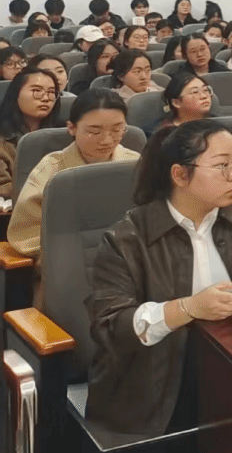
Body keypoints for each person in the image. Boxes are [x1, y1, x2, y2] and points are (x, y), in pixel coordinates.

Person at [84, 120, 232, 437]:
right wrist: (188, 308)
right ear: (180, 175)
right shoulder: (126, 239)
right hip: (159, 388)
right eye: (222, 166)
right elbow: (111, 326)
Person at [9, 89, 140, 306]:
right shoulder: (52, 169)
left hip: (131, 267)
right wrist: (66, 256)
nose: (107, 140)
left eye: (118, 130)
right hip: (70, 274)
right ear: (72, 128)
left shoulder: (134, 163)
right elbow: (24, 231)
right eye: (94, 131)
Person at [0, 67, 62, 200]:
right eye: (37, 91)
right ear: (16, 95)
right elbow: (3, 187)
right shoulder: (3, 139)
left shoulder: (64, 134)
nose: (46, 98)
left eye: (51, 92)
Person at [148, 73, 213, 135]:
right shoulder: (166, 134)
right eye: (195, 92)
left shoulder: (214, 122)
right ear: (176, 103)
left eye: (205, 90)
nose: (204, 96)